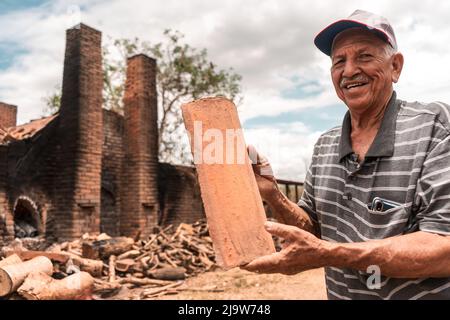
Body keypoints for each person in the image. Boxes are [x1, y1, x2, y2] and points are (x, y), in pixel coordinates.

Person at [243, 9, 450, 300]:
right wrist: (273, 195)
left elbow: (444, 248)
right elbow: (312, 229)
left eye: (364, 56)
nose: (350, 70)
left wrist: (331, 253)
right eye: (339, 61)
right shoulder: (325, 144)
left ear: (396, 67)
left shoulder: (434, 127)